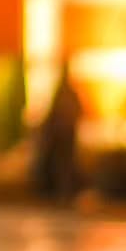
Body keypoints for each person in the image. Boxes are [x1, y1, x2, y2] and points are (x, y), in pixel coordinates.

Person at [36, 69, 82, 200]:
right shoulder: (66, 94)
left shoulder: (66, 94)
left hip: (65, 138)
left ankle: (63, 192)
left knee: (64, 167)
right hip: (62, 139)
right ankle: (61, 192)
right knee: (62, 167)